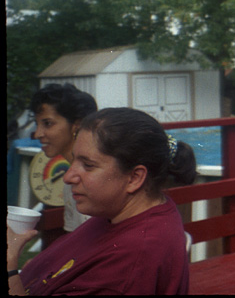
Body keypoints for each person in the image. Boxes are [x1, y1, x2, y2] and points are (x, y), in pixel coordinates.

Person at [8, 107, 197, 295]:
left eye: (88, 165)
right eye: (74, 160)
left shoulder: (130, 262)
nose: (68, 177)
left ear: (134, 178)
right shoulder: (119, 214)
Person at [30, 83, 98, 232]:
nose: (37, 134)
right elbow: (74, 241)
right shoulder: (70, 182)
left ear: (77, 124)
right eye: (37, 124)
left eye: (47, 123)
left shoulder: (96, 179)